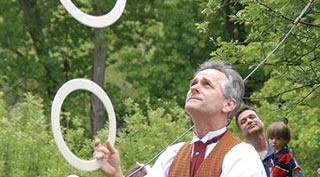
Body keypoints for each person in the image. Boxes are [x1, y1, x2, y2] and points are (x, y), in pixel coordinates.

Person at [93, 60, 266, 177]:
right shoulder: (172, 154)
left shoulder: (242, 154)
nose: (195, 88)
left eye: (207, 84)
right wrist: (117, 173)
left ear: (228, 105)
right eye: (193, 83)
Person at [235, 106, 304, 177]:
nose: (249, 121)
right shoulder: (240, 158)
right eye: (243, 121)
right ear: (241, 132)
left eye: (252, 117)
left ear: (261, 121)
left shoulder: (282, 149)